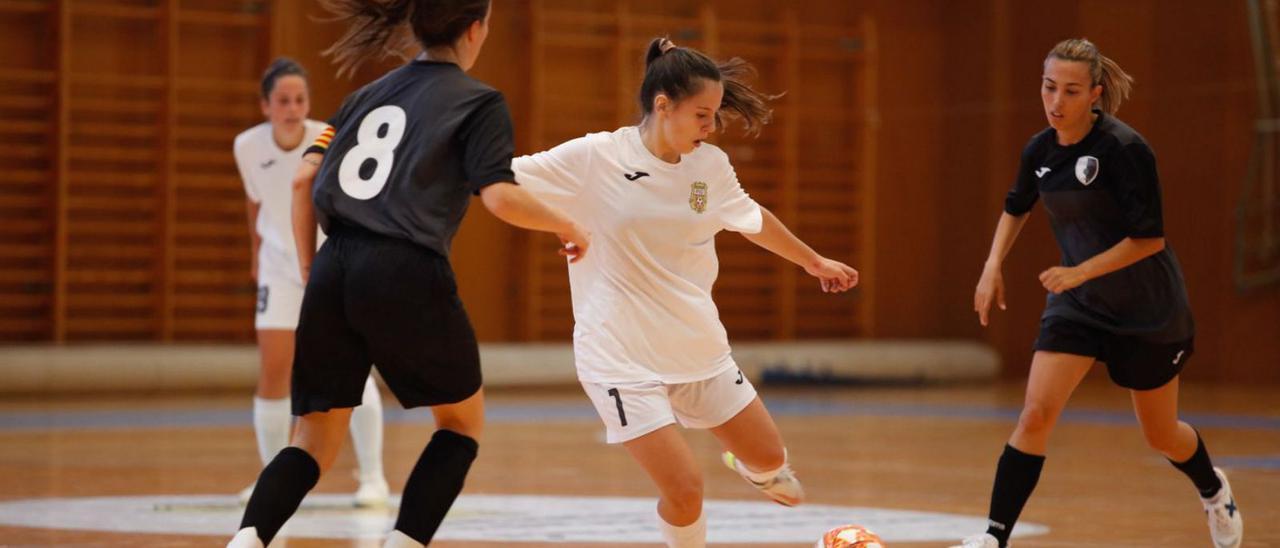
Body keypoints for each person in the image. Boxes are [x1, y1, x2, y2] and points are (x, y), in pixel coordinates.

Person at [227, 1, 590, 547]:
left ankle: (247, 540)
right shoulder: (479, 100)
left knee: (311, 440)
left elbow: (304, 183)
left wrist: (312, 268)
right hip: (404, 266)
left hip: (334, 264)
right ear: (475, 30)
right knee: (461, 424)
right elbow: (499, 196)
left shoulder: (361, 97)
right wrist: (570, 225)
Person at [512, 37, 858, 548]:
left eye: (715, 115)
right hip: (621, 358)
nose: (712, 127)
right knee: (685, 489)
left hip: (697, 346)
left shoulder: (709, 167)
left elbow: (751, 219)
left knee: (769, 458)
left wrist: (813, 261)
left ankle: (754, 468)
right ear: (662, 105)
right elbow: (500, 180)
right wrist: (563, 223)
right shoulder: (596, 156)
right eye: (702, 114)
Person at [955, 38, 1243, 548]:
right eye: (1049, 87)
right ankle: (993, 537)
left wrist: (1081, 271)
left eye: (1070, 90)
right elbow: (1016, 205)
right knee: (1035, 415)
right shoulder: (1040, 150)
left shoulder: (1125, 150)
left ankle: (1213, 488)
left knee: (1161, 435)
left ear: (1095, 93)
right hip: (1080, 305)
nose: (1056, 102)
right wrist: (991, 264)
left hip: (1147, 312)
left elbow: (1149, 238)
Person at [233, 57, 388, 509]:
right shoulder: (246, 146)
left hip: (327, 265)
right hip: (280, 266)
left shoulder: (327, 138)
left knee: (351, 368)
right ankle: (271, 475)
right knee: (274, 370)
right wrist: (256, 256)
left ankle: (373, 477)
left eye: (300, 99)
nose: (293, 108)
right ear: (265, 106)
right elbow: (254, 202)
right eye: (283, 100)